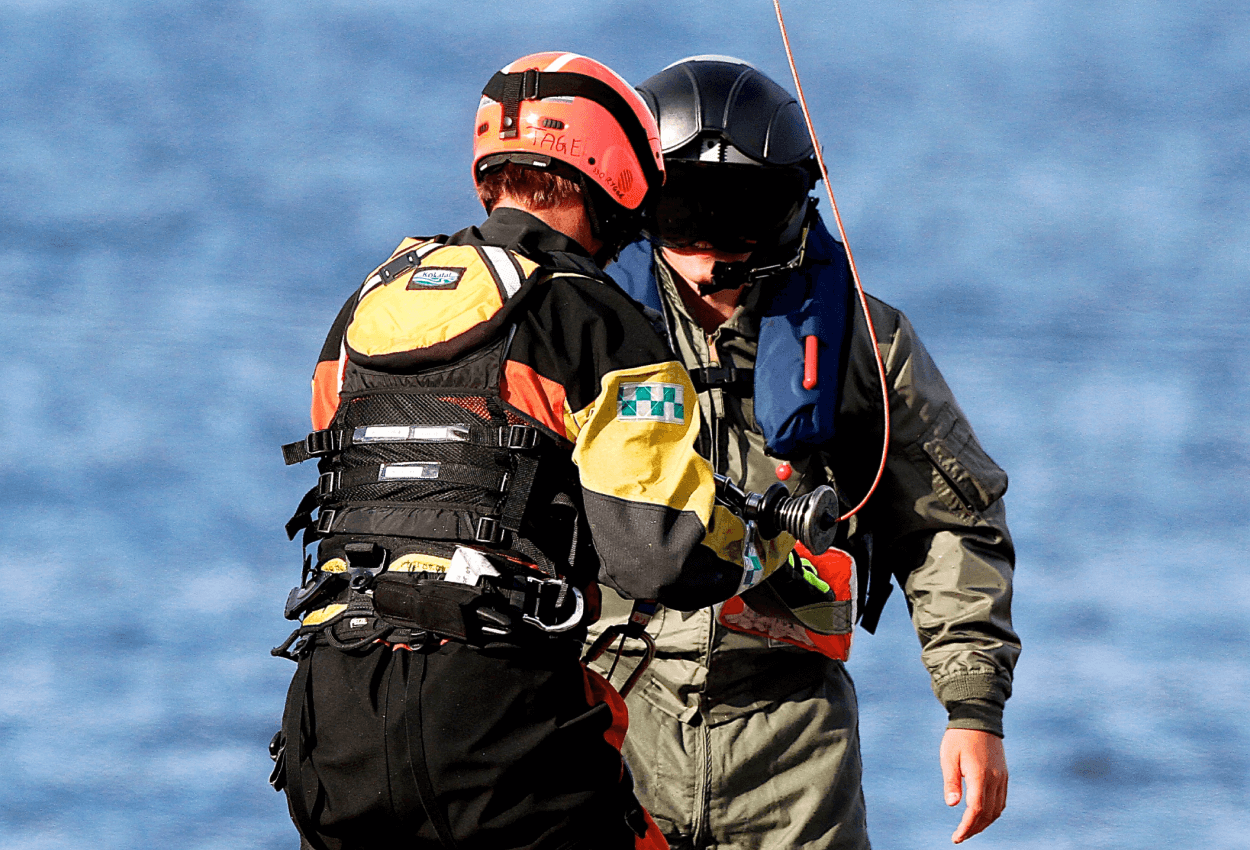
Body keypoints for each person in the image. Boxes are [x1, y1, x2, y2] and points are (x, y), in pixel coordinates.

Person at [270, 52, 796, 850]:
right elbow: (659, 555)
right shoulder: (598, 321)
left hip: (332, 714)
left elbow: (343, 456)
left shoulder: (369, 302)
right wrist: (765, 539)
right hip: (495, 721)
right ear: (617, 173)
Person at [590, 56, 1021, 849]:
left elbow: (949, 523)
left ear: (790, 211)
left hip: (792, 746)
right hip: (609, 721)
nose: (709, 249)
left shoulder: (865, 342)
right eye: (684, 212)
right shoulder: (578, 332)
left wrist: (973, 707)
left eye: (742, 215)